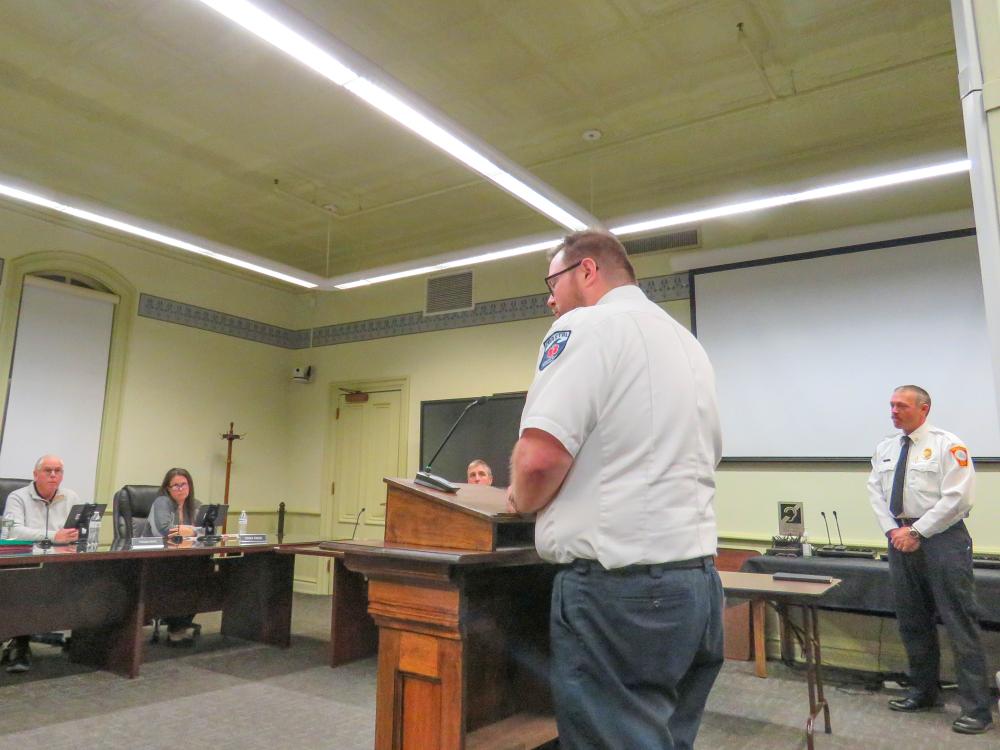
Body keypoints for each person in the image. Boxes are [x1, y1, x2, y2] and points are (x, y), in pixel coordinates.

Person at [507, 230, 724, 749]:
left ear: (586, 271)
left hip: (619, 595)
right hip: (696, 587)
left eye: (552, 281)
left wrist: (519, 499)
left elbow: (539, 459)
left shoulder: (586, 326)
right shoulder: (687, 343)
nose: (548, 298)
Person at [867, 385, 993, 734]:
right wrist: (894, 532)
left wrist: (918, 532)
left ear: (924, 409)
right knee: (912, 620)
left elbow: (959, 499)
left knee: (959, 622)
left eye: (902, 406)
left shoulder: (947, 445)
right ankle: (923, 691)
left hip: (942, 541)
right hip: (900, 539)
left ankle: (977, 709)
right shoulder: (886, 448)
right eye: (891, 405)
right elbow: (875, 493)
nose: (894, 411)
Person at [1, 455, 80, 673]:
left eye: (58, 471)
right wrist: (56, 536)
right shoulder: (17, 497)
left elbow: (77, 530)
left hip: (61, 563)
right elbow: (12, 532)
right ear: (35, 474)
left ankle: (82, 639)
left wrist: (78, 533)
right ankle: (20, 642)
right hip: (25, 563)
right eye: (48, 470)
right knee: (26, 585)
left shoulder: (71, 497)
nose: (53, 475)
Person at [144, 467, 202, 645]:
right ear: (167, 488)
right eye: (175, 485)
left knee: (201, 576)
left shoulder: (196, 505)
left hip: (184, 559)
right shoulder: (162, 502)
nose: (180, 488)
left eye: (183, 484)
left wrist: (191, 531)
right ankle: (177, 630)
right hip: (155, 559)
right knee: (183, 578)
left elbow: (206, 531)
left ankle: (179, 625)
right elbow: (165, 531)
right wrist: (193, 531)